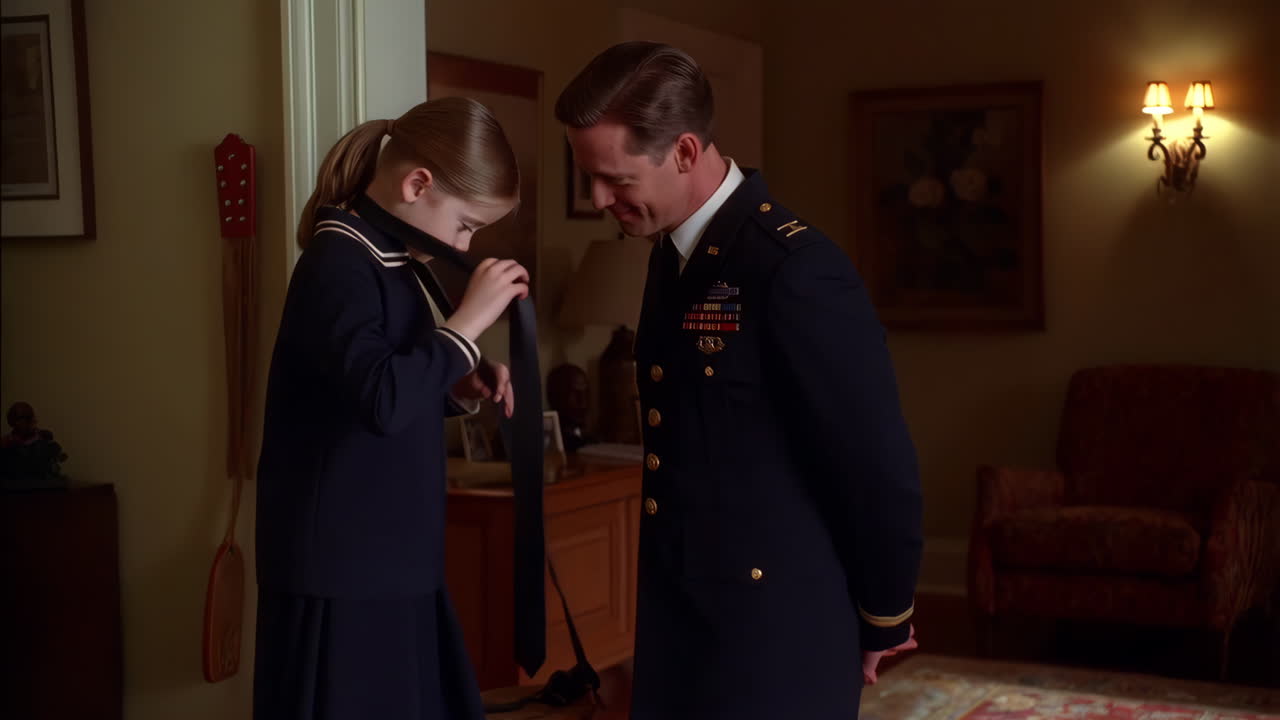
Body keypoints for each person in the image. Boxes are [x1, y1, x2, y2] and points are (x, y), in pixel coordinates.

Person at [557, 42, 923, 718]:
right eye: (590, 179)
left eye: (615, 179)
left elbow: (876, 467)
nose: (599, 198)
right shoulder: (673, 254)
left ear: (686, 153)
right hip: (686, 621)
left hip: (772, 635)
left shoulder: (792, 269)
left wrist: (883, 616)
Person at [253, 96, 529, 720]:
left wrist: (456, 379)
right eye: (465, 224)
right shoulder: (337, 263)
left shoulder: (389, 263)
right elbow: (379, 398)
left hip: (391, 556)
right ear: (416, 184)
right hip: (342, 568)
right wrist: (466, 327)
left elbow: (374, 389)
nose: (466, 242)